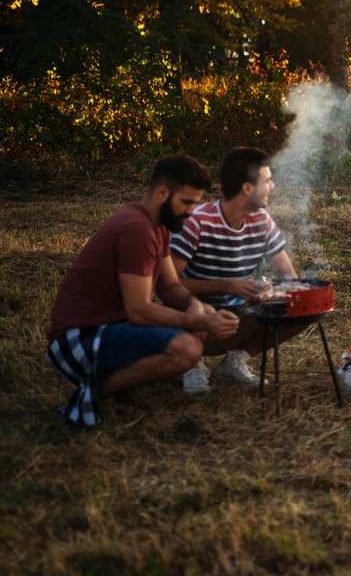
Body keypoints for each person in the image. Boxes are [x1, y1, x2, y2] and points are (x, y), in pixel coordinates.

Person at [45, 154, 240, 426]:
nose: (192, 211)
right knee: (186, 349)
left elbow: (171, 286)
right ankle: (98, 392)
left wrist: (193, 304)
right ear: (162, 192)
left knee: (194, 325)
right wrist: (202, 320)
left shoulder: (155, 225)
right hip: (77, 340)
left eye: (195, 203)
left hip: (103, 329)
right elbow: (138, 311)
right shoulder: (137, 230)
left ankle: (123, 390)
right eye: (186, 202)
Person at [170, 146, 299, 392]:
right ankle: (191, 362)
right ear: (247, 188)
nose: (272, 186)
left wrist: (274, 293)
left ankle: (235, 359)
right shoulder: (197, 222)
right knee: (194, 310)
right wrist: (227, 285)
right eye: (267, 181)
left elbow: (287, 274)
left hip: (236, 315)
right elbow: (166, 283)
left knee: (299, 308)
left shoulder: (261, 220)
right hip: (193, 318)